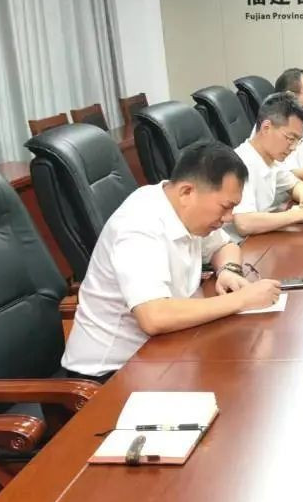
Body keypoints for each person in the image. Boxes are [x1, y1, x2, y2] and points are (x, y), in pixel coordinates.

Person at [61, 141, 282, 379]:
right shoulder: (139, 226)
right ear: (187, 192)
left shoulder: (185, 206)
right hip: (111, 373)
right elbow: (154, 316)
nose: (228, 218)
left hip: (166, 349)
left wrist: (229, 270)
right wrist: (242, 300)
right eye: (225, 207)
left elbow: (224, 246)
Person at [229, 92, 303, 238]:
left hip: (259, 240)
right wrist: (302, 214)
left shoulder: (270, 159)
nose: (293, 147)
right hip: (238, 245)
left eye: (298, 141)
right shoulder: (239, 163)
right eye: (290, 138)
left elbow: (296, 184)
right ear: (266, 128)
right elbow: (244, 223)